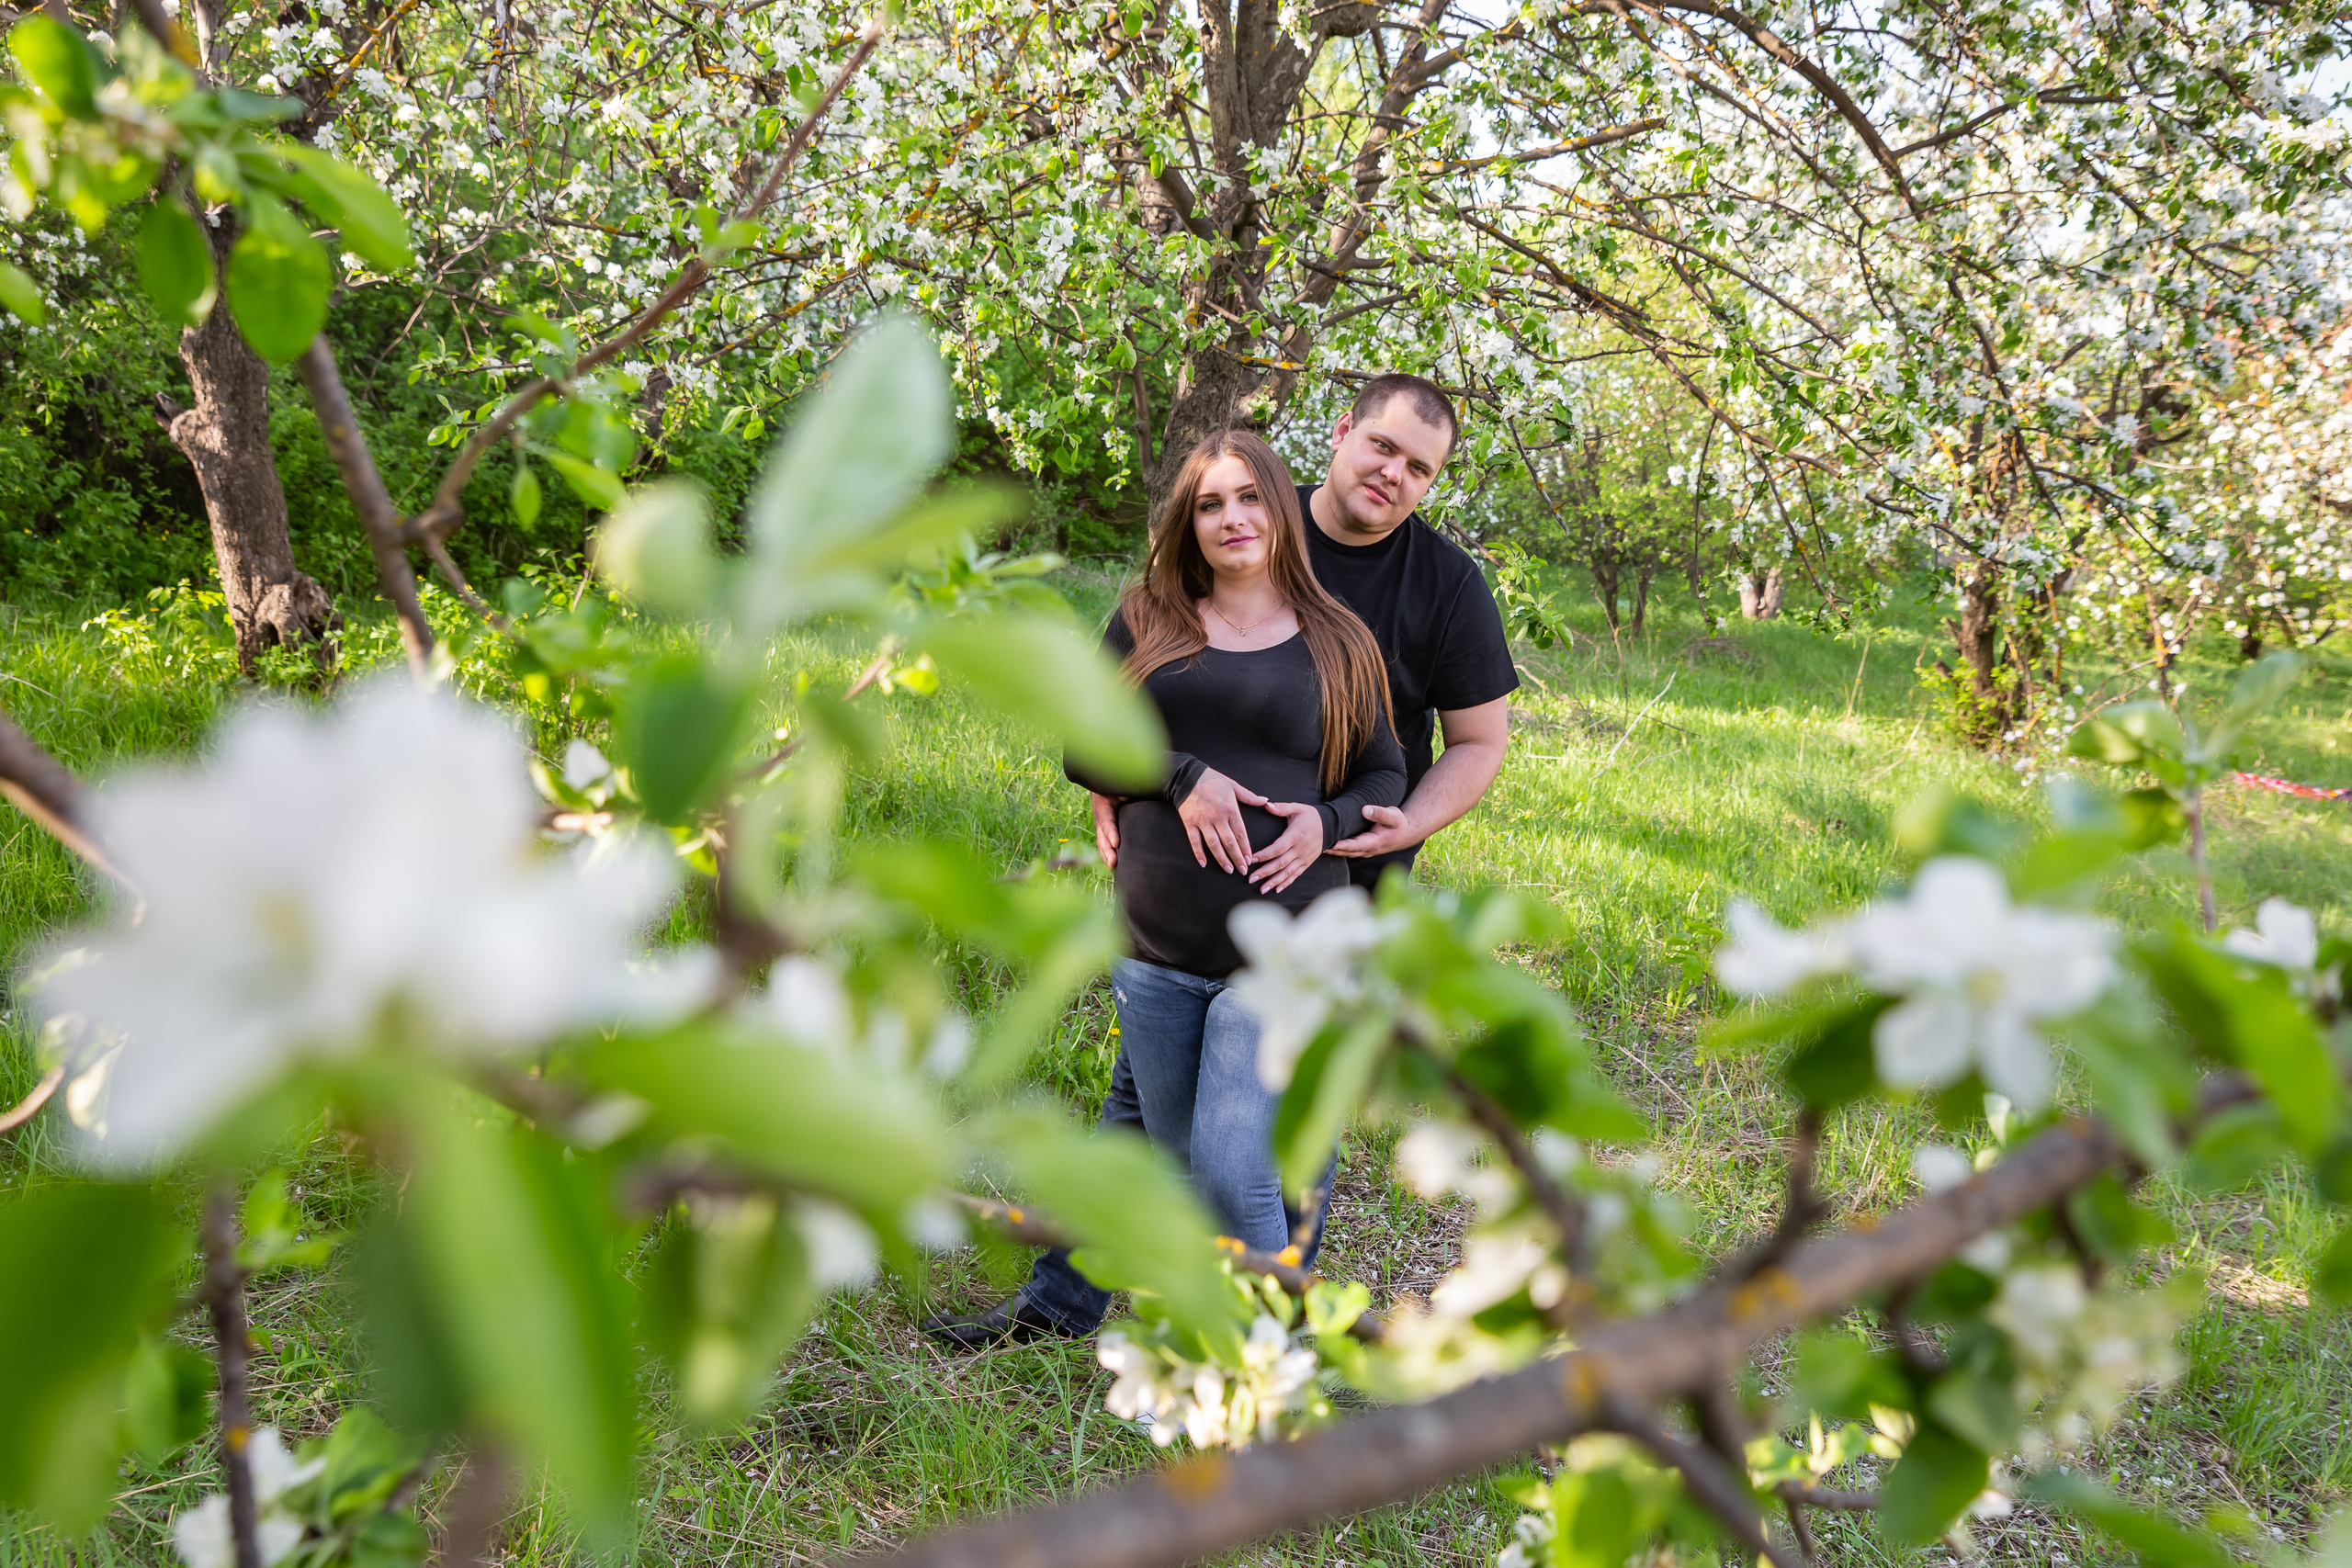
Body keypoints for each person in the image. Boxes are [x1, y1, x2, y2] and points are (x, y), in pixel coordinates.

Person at [924, 377, 1515, 1348]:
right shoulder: (1222, 535)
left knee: (1267, 1140)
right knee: (1146, 1111)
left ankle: (1263, 1340)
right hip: (1169, 920)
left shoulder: (1435, 588)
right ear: (1339, 436)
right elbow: (1109, 719)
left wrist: (1375, 827)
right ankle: (1068, 1304)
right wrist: (1131, 786)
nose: (1394, 476)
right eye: (1383, 449)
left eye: (1420, 469)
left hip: (1326, 903)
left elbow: (1472, 745)